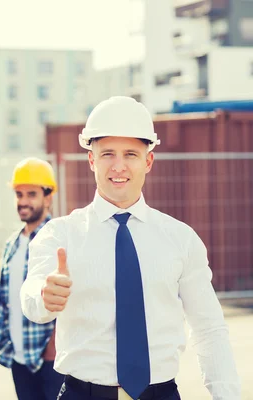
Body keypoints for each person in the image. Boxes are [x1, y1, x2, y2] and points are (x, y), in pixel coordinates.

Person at [21, 96, 241, 399]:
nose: (119, 166)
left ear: (148, 161)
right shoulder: (59, 235)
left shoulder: (181, 239)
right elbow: (32, 301)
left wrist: (227, 395)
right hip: (82, 393)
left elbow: (209, 328)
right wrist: (45, 297)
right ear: (91, 160)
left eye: (131, 154)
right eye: (108, 153)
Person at [0, 157, 65, 400]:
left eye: (31, 194)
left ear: (48, 197)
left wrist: (54, 346)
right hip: (19, 357)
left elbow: (72, 295)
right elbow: (5, 299)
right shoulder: (12, 243)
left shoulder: (59, 237)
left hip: (51, 360)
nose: (23, 201)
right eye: (19, 194)